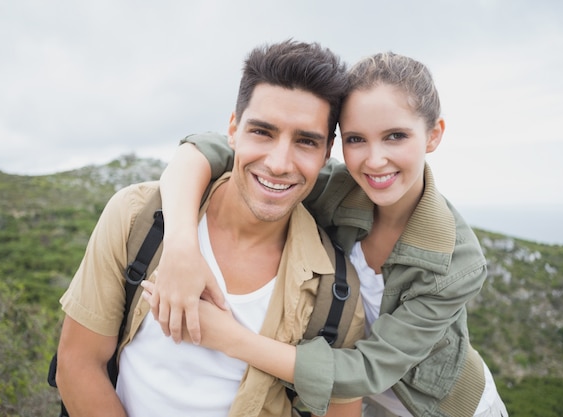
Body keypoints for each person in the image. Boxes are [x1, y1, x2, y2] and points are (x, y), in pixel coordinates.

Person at [149, 52, 509, 417]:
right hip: (359, 404)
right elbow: (203, 150)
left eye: (395, 136)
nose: (374, 159)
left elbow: (366, 371)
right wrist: (181, 247)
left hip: (440, 408)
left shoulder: (458, 261)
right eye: (357, 139)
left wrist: (230, 338)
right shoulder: (336, 187)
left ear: (434, 135)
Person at [54, 39, 365, 417]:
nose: (280, 163)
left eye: (305, 141)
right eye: (262, 132)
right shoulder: (136, 218)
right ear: (233, 129)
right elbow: (77, 364)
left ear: (326, 152)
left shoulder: (337, 295)